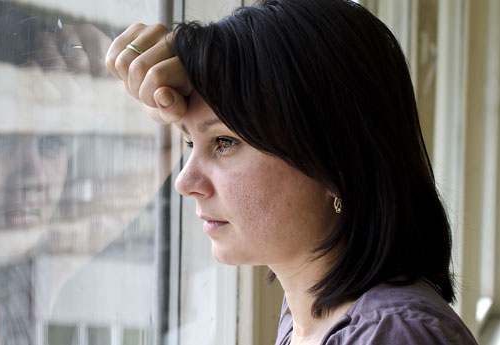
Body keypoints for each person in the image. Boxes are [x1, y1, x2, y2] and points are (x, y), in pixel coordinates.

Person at [105, 0, 480, 344]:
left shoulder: (391, 335)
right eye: (190, 143)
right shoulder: (314, 317)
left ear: (335, 164)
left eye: (224, 142)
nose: (186, 183)